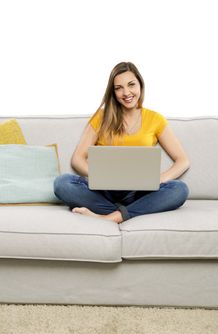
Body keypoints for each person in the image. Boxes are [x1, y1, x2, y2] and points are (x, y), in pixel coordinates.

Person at [54, 62, 190, 223]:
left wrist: (159, 179)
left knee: (179, 189)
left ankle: (112, 217)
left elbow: (183, 161)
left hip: (139, 192)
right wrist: (101, 176)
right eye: (118, 88)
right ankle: (131, 212)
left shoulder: (155, 119)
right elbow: (77, 159)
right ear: (113, 92)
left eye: (131, 85)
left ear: (140, 84)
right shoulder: (102, 117)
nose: (126, 93)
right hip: (104, 191)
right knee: (62, 183)